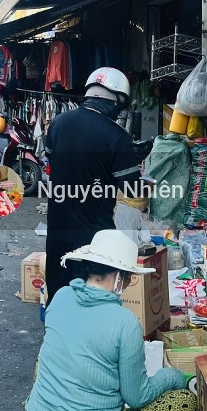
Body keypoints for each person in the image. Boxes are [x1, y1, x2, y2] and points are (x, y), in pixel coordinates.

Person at [25, 230, 196, 411]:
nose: (127, 284)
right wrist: (172, 377)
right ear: (119, 277)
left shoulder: (62, 295)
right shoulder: (125, 322)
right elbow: (137, 397)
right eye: (129, 277)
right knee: (185, 403)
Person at [45, 68, 140, 302]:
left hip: (57, 229)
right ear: (117, 101)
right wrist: (133, 161)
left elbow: (51, 160)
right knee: (90, 299)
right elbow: (132, 190)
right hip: (94, 237)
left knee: (58, 293)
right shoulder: (117, 136)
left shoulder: (57, 123)